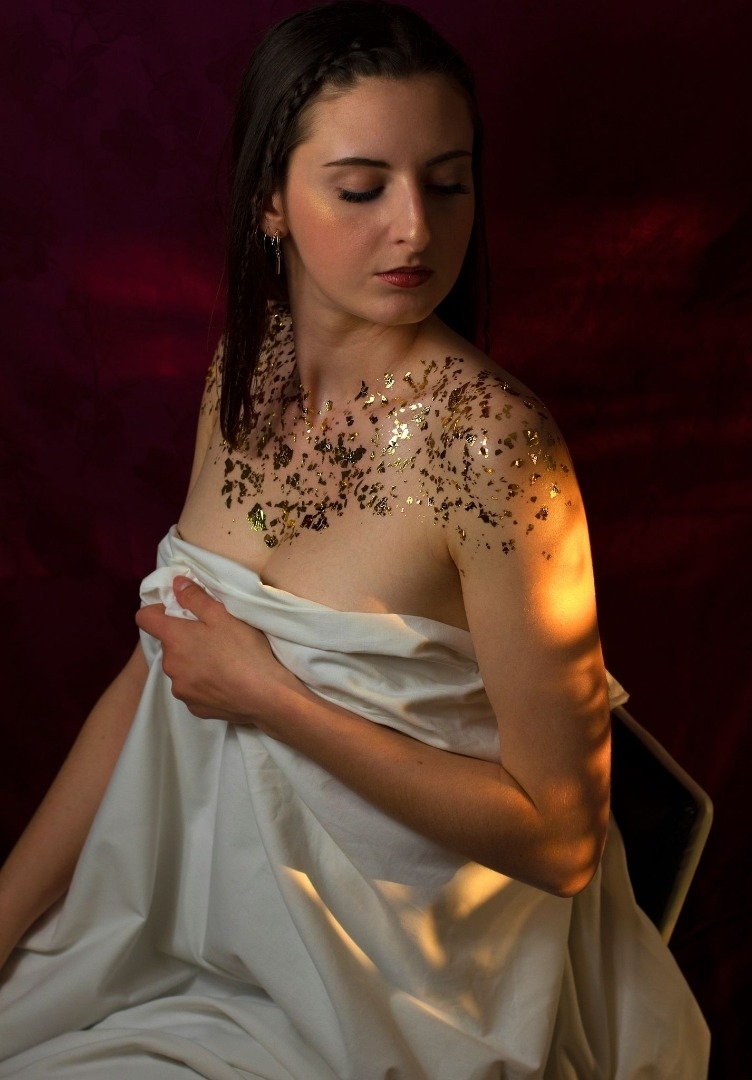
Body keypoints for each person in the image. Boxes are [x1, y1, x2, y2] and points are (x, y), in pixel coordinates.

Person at [0, 2, 709, 1076]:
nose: (416, 228)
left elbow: (562, 838)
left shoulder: (494, 452)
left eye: (449, 182)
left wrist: (274, 696)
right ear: (270, 202)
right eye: (362, 188)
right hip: (191, 931)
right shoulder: (245, 372)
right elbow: (158, 665)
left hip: (402, 991)